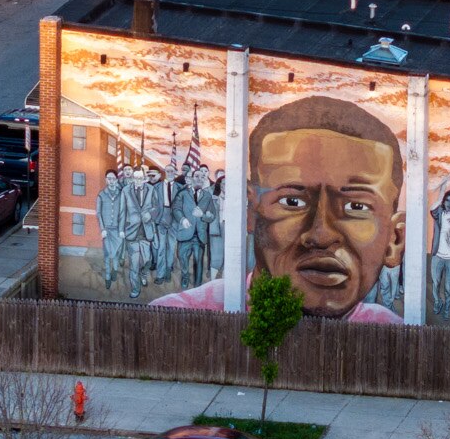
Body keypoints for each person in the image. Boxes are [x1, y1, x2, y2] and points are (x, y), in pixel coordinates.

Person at [151, 95, 403, 322]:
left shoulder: (392, 334)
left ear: (395, 240)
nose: (321, 234)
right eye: (292, 202)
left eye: (356, 206)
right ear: (250, 211)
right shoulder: (171, 321)